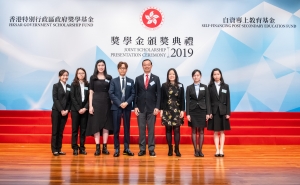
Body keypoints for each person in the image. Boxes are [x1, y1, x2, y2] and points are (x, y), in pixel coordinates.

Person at [86, 59, 113, 156]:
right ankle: (97, 148)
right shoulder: (93, 78)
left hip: (107, 103)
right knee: (96, 125)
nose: (101, 67)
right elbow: (91, 92)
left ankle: (105, 147)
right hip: (96, 103)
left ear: (105, 66)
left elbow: (111, 92)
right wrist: (90, 106)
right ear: (96, 67)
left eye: (102, 65)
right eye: (99, 65)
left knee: (106, 125)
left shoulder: (109, 77)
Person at [134, 59, 161, 157]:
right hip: (140, 108)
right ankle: (142, 149)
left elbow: (159, 94)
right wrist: (135, 106)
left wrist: (157, 107)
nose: (146, 66)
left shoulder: (156, 78)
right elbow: (135, 94)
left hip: (152, 108)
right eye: (145, 65)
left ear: (151, 66)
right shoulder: (138, 79)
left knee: (151, 130)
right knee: (141, 129)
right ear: (142, 67)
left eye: (148, 65)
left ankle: (151, 149)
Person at [109, 61, 135, 157]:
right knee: (116, 129)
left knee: (126, 129)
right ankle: (116, 149)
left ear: (126, 70)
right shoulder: (113, 81)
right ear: (118, 69)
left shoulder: (131, 81)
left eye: (124, 68)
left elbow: (133, 94)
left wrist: (126, 103)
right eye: (121, 68)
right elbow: (111, 93)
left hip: (127, 108)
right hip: (116, 108)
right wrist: (120, 103)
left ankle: (126, 148)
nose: (122, 70)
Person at [186, 69, 211, 157]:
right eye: (194, 75)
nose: (196, 77)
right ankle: (195, 150)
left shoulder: (205, 87)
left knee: (201, 131)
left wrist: (208, 113)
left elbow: (207, 100)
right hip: (192, 111)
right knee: (193, 131)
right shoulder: (189, 87)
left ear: (200, 76)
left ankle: (200, 150)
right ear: (192, 77)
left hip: (202, 110)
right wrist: (187, 114)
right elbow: (187, 101)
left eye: (198, 75)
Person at [160, 68, 185, 157]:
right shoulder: (164, 86)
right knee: (168, 130)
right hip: (167, 110)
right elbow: (162, 99)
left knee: (177, 130)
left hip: (177, 110)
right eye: (170, 74)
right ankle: (170, 148)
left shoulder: (180, 85)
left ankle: (177, 149)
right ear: (168, 76)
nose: (171, 75)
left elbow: (182, 99)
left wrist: (182, 110)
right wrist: (161, 110)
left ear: (176, 75)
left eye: (173, 74)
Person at [208, 68, 231, 157]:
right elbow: (208, 101)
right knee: (215, 131)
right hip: (214, 112)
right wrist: (209, 112)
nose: (216, 76)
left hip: (223, 111)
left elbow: (228, 100)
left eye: (218, 74)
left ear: (220, 75)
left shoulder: (226, 86)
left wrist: (228, 113)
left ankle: (221, 150)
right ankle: (217, 150)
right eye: (214, 74)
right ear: (212, 76)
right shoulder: (210, 87)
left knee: (222, 131)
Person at [51, 69, 71, 156]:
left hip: (65, 112)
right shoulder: (55, 86)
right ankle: (54, 149)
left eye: (66, 75)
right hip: (56, 111)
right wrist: (61, 110)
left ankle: (59, 149)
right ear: (59, 76)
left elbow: (70, 100)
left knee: (61, 131)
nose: (65, 77)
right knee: (55, 131)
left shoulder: (69, 87)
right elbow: (55, 99)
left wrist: (67, 110)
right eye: (63, 75)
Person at [70, 68, 89, 155]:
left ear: (85, 74)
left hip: (85, 110)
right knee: (75, 130)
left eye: (82, 73)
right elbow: (72, 98)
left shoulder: (87, 84)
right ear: (76, 75)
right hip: (75, 110)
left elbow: (90, 98)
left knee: (83, 130)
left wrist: (85, 108)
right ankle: (75, 147)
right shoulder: (73, 84)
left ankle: (82, 147)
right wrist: (78, 109)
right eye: (79, 73)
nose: (81, 75)